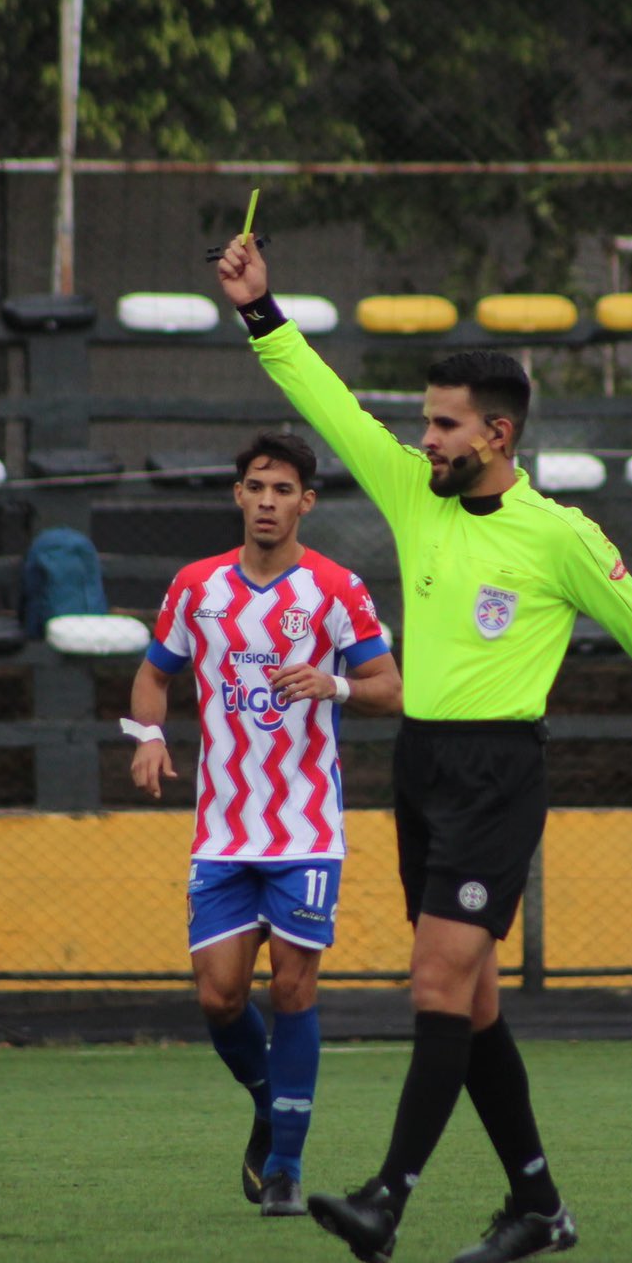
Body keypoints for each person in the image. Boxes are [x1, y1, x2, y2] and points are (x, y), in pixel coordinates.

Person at [215, 236, 632, 1263]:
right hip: (420, 770)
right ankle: (538, 1205)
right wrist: (259, 310)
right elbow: (327, 402)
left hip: (498, 777)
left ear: (495, 433)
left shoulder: (557, 535)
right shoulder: (416, 492)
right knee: (470, 1005)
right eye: (423, 419)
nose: (423, 436)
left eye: (443, 422)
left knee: (432, 983)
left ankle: (385, 1196)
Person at [127, 432, 402, 1218]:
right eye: (257, 487)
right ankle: (268, 1098)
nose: (269, 502)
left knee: (291, 988)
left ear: (306, 503)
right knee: (218, 998)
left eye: (284, 490)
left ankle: (283, 1167)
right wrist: (148, 737)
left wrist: (335, 684)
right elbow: (154, 674)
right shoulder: (196, 586)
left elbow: (393, 685)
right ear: (238, 496)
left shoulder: (337, 590)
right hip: (222, 830)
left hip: (307, 829)